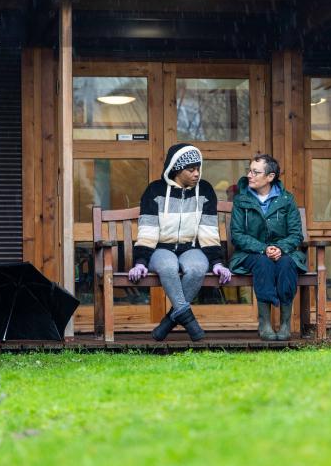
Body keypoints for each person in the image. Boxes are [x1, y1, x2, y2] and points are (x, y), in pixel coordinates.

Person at [128, 143, 232, 341]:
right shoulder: (155, 190)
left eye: (198, 168)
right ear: (177, 170)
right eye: (190, 169)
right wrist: (141, 262)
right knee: (168, 267)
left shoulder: (205, 190)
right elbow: (148, 229)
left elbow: (208, 230)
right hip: (161, 248)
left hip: (192, 247)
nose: (196, 173)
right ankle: (189, 321)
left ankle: (169, 321)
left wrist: (217, 263)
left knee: (197, 268)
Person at [229, 154, 306, 341]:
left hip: (284, 253)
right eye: (249, 170)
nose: (249, 175)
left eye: (255, 172)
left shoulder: (286, 199)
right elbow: (237, 235)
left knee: (286, 264)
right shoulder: (242, 200)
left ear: (270, 177)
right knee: (263, 263)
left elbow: (296, 234)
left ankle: (285, 323)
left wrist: (279, 248)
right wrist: (264, 248)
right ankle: (264, 322)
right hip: (250, 254)